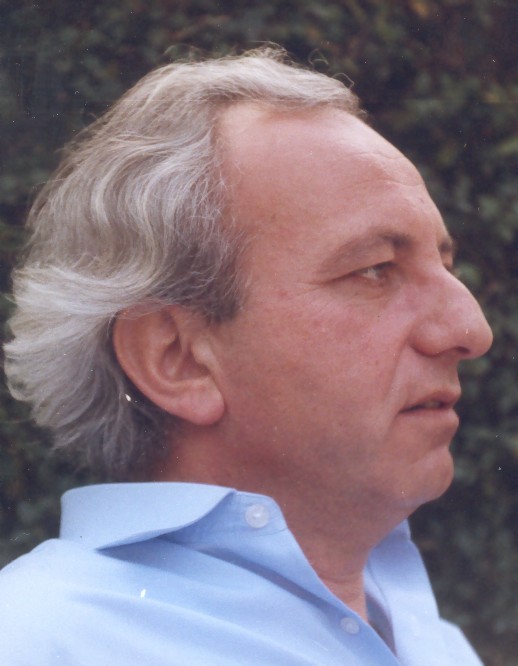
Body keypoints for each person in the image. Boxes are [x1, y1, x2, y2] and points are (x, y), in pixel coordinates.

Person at [1, 48, 492, 665]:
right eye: (374, 269)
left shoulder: (438, 644)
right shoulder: (34, 641)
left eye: (444, 265)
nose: (471, 330)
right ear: (177, 358)